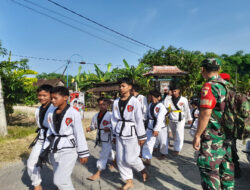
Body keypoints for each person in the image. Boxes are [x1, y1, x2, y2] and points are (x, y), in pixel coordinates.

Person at [193, 58, 234, 189]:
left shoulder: (209, 86)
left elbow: (205, 114)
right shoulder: (227, 85)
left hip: (213, 136)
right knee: (226, 171)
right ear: (219, 70)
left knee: (209, 172)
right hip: (227, 136)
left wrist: (197, 135)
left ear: (203, 69)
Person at [39, 86, 89, 190]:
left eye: (55, 98)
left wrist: (83, 152)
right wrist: (45, 148)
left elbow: (79, 133)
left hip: (69, 148)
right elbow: (48, 130)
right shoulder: (51, 112)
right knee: (62, 178)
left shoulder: (73, 113)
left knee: (59, 180)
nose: (52, 100)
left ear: (65, 97)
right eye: (51, 98)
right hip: (55, 147)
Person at [111, 78, 148, 190]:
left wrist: (141, 136)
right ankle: (129, 181)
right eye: (120, 86)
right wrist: (113, 134)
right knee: (121, 159)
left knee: (130, 159)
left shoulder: (135, 101)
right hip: (119, 131)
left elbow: (138, 120)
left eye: (123, 86)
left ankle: (142, 169)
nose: (121, 88)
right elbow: (113, 119)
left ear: (130, 87)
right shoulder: (116, 102)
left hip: (131, 132)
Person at [27, 84, 55, 190]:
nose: (41, 98)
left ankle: (61, 184)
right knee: (31, 163)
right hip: (41, 139)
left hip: (53, 140)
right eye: (39, 95)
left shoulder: (55, 108)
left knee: (56, 164)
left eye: (45, 95)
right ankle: (37, 185)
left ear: (51, 95)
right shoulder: (38, 109)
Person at [86, 98, 115, 181]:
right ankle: (115, 161)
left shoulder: (110, 115)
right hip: (100, 136)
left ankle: (98, 172)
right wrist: (90, 128)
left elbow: (114, 125)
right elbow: (94, 126)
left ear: (107, 105)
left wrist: (109, 128)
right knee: (107, 151)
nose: (102, 106)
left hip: (108, 137)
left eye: (104, 104)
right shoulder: (96, 115)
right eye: (100, 104)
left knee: (103, 154)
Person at [219, 73, 241, 178]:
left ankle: (232, 170)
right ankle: (235, 169)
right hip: (234, 125)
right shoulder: (236, 92)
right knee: (232, 146)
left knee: (228, 147)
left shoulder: (223, 91)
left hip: (225, 124)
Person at [164, 82, 192, 155]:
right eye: (172, 91)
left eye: (175, 91)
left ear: (179, 90)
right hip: (171, 117)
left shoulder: (183, 99)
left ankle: (177, 149)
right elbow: (165, 106)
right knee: (174, 134)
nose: (173, 93)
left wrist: (189, 118)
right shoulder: (169, 98)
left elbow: (187, 109)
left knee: (179, 133)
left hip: (180, 118)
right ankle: (177, 145)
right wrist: (167, 96)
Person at [142, 90, 168, 164]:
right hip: (150, 125)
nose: (153, 98)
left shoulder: (161, 106)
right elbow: (147, 114)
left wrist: (156, 129)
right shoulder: (150, 105)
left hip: (160, 127)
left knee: (163, 141)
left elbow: (160, 118)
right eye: (152, 97)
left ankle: (163, 153)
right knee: (148, 142)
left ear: (159, 98)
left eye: (155, 97)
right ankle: (147, 158)